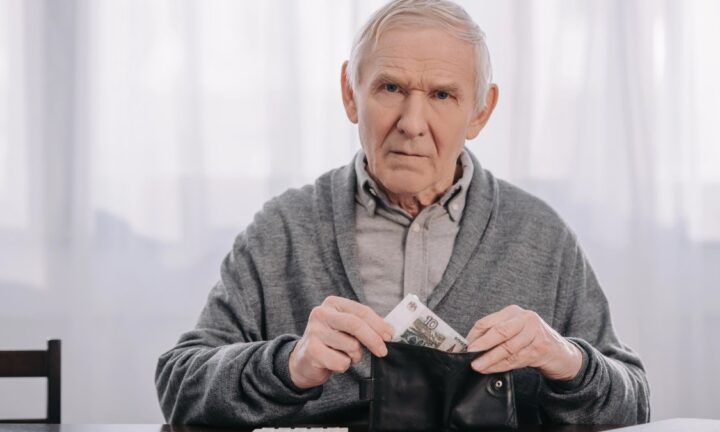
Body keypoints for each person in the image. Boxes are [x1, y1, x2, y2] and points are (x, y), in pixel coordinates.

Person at [155, 0, 650, 426]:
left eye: (442, 95)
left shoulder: (541, 235)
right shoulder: (282, 230)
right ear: (351, 94)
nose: (412, 124)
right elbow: (179, 383)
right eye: (390, 88)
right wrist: (289, 364)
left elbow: (634, 401)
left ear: (480, 111)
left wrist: (565, 361)